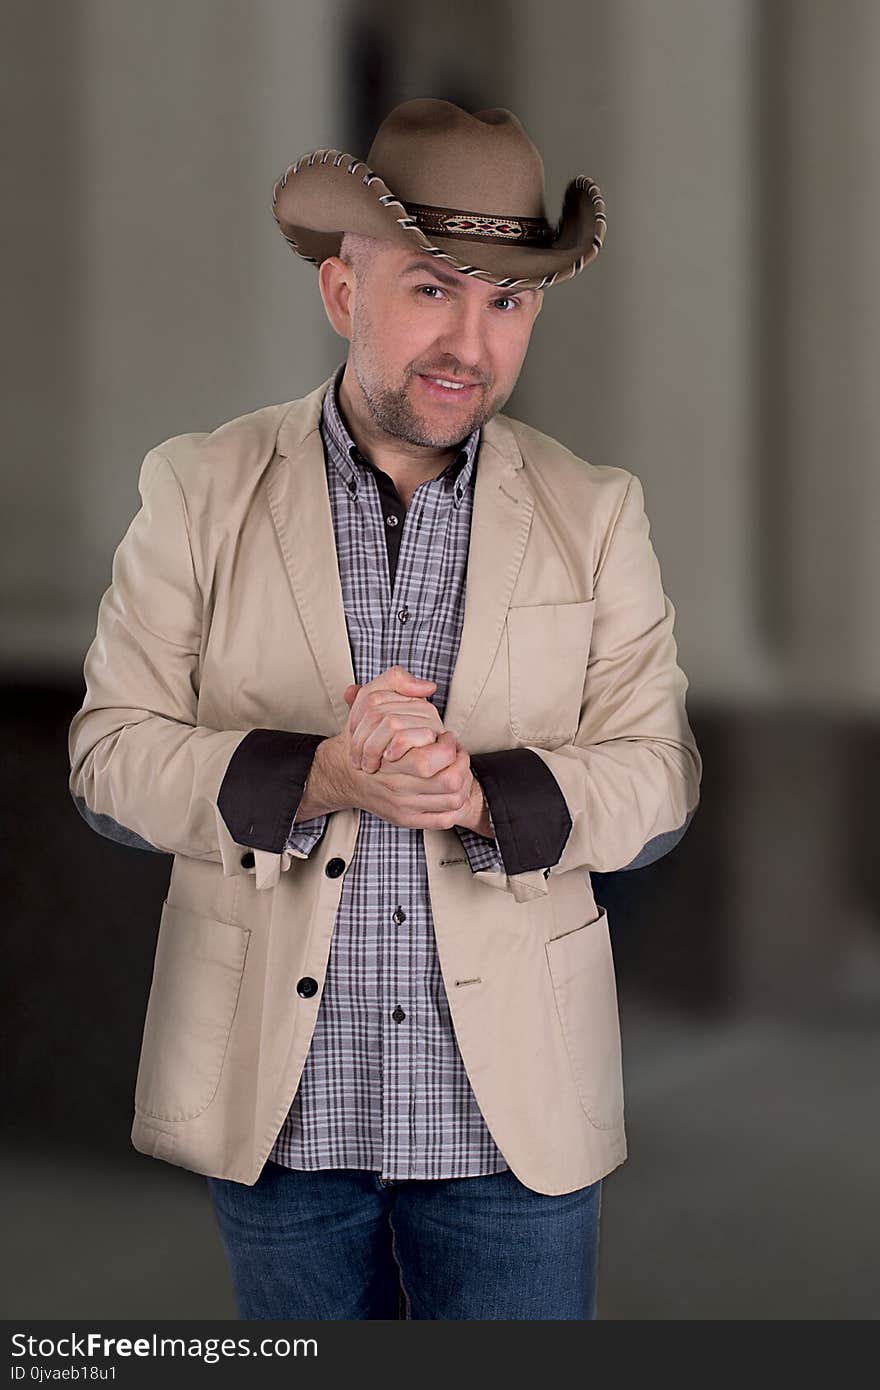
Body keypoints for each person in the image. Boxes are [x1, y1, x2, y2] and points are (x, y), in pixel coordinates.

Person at [68, 97, 702, 1320]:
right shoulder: (197, 489)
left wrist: (480, 792)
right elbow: (107, 760)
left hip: (513, 1124)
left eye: (507, 301)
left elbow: (658, 779)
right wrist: (317, 778)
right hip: (279, 1109)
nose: (471, 339)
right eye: (432, 288)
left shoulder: (595, 509)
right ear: (342, 293)